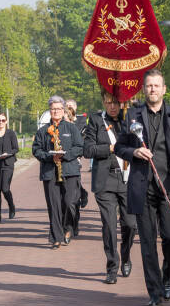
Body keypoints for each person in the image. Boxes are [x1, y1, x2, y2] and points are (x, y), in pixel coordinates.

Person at [114, 69, 170, 306]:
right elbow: (119, 147)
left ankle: (167, 274)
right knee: (148, 242)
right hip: (143, 187)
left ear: (164, 89)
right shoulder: (132, 115)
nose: (152, 89)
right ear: (144, 89)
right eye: (149, 85)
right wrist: (134, 152)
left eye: (156, 85)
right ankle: (153, 291)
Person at [83, 92, 137, 284]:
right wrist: (110, 149)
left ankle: (127, 255)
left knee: (130, 224)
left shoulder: (130, 119)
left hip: (128, 179)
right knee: (109, 225)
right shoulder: (96, 121)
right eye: (108, 103)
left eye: (116, 103)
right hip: (105, 180)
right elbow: (88, 150)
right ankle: (112, 266)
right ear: (104, 103)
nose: (112, 106)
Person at [33, 96, 84, 248]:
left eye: (58, 109)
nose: (55, 111)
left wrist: (65, 155)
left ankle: (68, 227)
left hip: (69, 171)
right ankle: (56, 237)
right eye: (53, 109)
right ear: (50, 111)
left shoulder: (71, 128)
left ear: (63, 111)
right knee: (54, 206)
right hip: (50, 172)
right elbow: (36, 150)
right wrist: (50, 156)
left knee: (69, 203)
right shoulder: (42, 131)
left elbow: (80, 147)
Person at [65, 98, 89, 235]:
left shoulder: (80, 122)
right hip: (64, 163)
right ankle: (83, 193)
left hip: (76, 161)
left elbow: (83, 141)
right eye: (67, 106)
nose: (69, 108)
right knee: (72, 193)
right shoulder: (61, 122)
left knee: (74, 194)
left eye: (71, 106)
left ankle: (75, 222)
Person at [0, 112, 18, 224]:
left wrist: (7, 153)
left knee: (5, 189)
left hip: (8, 164)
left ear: (6, 121)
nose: (1, 122)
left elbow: (16, 148)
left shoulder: (11, 133)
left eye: (3, 120)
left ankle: (11, 206)